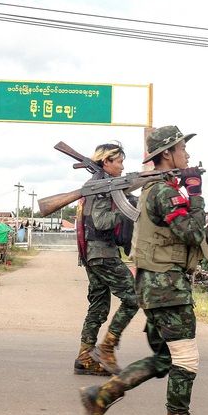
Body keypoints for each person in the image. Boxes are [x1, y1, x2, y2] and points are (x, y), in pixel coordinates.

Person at [80, 126, 208, 415]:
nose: (188, 154)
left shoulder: (160, 189)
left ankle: (101, 395)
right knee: (186, 359)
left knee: (167, 358)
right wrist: (195, 194)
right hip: (167, 288)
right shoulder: (164, 192)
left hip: (157, 287)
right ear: (167, 154)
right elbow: (194, 233)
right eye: (183, 148)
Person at [74, 142, 139, 376]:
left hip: (93, 254)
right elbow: (101, 222)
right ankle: (106, 349)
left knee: (99, 306)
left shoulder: (103, 185)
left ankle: (85, 356)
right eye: (119, 161)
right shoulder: (100, 187)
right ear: (106, 162)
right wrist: (128, 206)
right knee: (134, 297)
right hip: (102, 253)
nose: (122, 167)